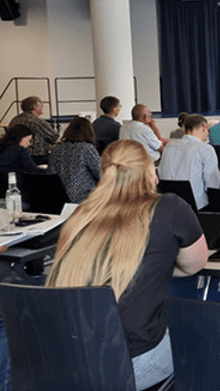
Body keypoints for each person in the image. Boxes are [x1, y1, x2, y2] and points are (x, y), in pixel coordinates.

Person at [46, 139, 207, 390]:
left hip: (68, 359)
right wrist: (155, 265)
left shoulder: (81, 213)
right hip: (133, 364)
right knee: (200, 334)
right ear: (148, 171)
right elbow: (195, 264)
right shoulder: (170, 207)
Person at [158, 114, 220, 209]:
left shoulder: (168, 147)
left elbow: (161, 175)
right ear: (203, 127)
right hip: (196, 207)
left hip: (169, 204)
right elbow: (212, 187)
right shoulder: (205, 149)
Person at [47, 117, 101, 203]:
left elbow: (50, 173)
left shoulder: (56, 149)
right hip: (82, 197)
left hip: (58, 197)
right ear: (89, 132)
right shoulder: (87, 149)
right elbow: (101, 173)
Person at [8, 95, 58, 165]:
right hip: (36, 157)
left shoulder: (14, 120)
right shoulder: (38, 122)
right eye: (41, 104)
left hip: (16, 156)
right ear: (35, 107)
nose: (43, 106)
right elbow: (55, 138)